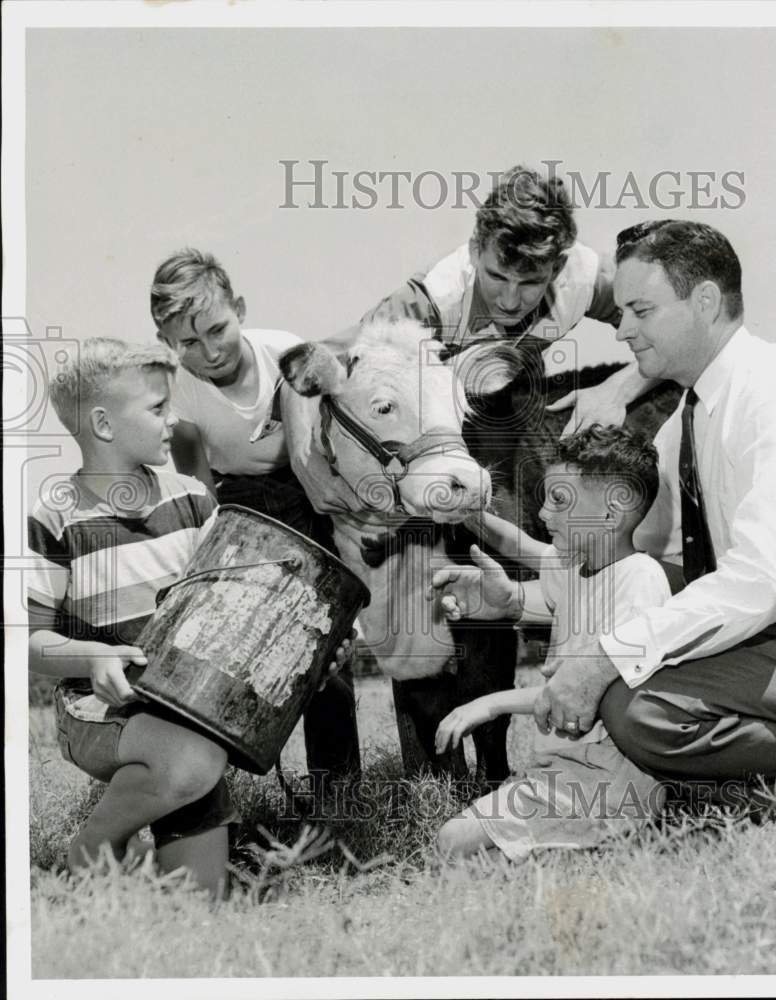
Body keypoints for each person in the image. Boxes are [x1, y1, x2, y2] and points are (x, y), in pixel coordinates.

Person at [26, 338, 353, 895]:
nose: (173, 420)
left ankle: (136, 843)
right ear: (103, 425)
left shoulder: (194, 500)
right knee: (196, 759)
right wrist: (94, 655)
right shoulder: (54, 517)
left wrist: (310, 651)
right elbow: (28, 640)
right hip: (99, 711)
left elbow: (235, 611)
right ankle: (91, 847)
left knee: (199, 903)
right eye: (157, 408)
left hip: (191, 712)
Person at [533, 220, 776, 784]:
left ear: (705, 300)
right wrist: (515, 596)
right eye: (621, 311)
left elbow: (761, 580)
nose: (621, 331)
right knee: (632, 696)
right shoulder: (686, 419)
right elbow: (625, 558)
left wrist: (604, 654)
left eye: (641, 312)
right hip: (762, 634)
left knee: (633, 704)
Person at [150, 249, 360, 788]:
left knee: (324, 645)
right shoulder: (179, 391)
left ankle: (337, 792)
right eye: (188, 343)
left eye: (217, 328)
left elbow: (318, 443)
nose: (209, 350)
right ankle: (207, 794)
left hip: (302, 484)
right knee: (225, 643)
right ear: (168, 345)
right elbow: (200, 486)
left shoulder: (280, 351)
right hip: (237, 504)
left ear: (239, 309)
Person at [428, 426, 672, 859]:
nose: (543, 513)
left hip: (608, 780)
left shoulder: (638, 580)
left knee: (454, 842)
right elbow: (517, 543)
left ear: (612, 514)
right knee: (465, 840)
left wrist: (487, 704)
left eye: (560, 501)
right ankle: (573, 848)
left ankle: (610, 841)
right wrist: (463, 506)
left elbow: (588, 692)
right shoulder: (574, 565)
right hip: (565, 769)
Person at [326, 164, 662, 433]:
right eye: (497, 277)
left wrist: (617, 390)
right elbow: (305, 375)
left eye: (531, 282)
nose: (510, 301)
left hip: (509, 395)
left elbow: (684, 331)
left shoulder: (589, 277)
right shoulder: (426, 302)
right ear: (475, 251)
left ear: (558, 266)